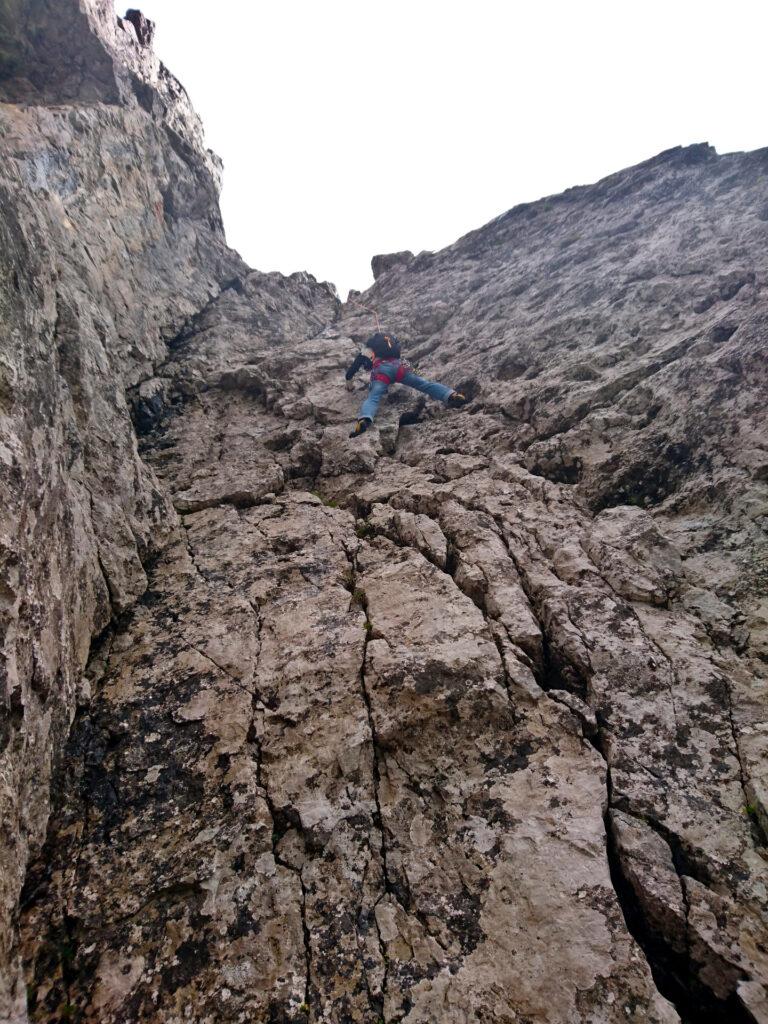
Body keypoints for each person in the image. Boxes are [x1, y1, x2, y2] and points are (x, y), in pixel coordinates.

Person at [345, 331, 466, 436]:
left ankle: (364, 419)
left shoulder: (368, 349)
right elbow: (407, 365)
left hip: (381, 371)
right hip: (400, 366)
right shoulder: (392, 346)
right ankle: (452, 395)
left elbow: (354, 367)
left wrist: (349, 383)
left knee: (373, 397)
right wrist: (418, 372)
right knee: (424, 384)